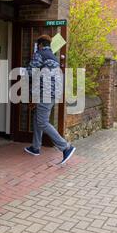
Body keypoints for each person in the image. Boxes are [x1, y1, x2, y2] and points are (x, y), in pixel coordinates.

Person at [23, 35, 76, 165]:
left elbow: (30, 72)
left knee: (42, 122)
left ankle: (66, 147)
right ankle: (35, 147)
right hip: (53, 93)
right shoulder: (53, 57)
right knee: (37, 117)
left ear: (40, 45)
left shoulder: (39, 54)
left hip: (45, 93)